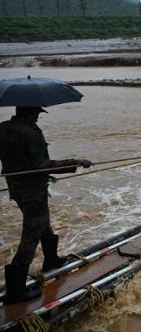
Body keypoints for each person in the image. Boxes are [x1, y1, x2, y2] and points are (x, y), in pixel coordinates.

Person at [0, 107, 93, 303]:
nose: (37, 117)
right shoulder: (31, 133)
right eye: (36, 113)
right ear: (29, 112)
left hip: (16, 188)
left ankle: (51, 260)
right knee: (32, 232)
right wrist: (75, 162)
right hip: (33, 190)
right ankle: (15, 290)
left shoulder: (3, 128)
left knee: (41, 222)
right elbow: (42, 165)